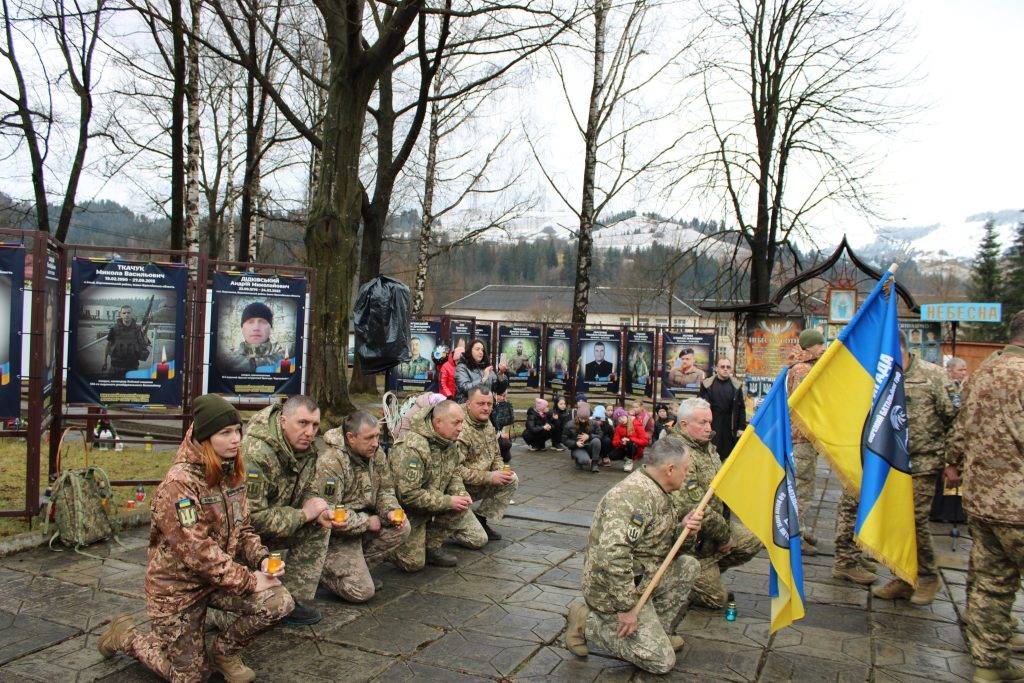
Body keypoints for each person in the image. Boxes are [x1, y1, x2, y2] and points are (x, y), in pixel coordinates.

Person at [98, 394, 293, 683]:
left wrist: (262, 559)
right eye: (225, 433)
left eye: (238, 430)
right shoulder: (180, 485)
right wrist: (250, 580)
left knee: (279, 602)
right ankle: (126, 636)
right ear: (205, 437)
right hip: (177, 591)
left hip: (217, 581)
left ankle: (224, 653)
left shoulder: (233, 472)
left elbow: (245, 530)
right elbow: (199, 552)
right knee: (190, 677)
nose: (236, 439)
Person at [565, 435, 704, 674]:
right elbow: (612, 556)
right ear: (670, 469)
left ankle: (656, 631)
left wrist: (684, 530)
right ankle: (586, 621)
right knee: (661, 662)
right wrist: (626, 607)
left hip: (645, 577)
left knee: (688, 565)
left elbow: (657, 544)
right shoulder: (633, 496)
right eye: (686, 470)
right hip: (611, 590)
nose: (687, 475)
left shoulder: (658, 489)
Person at [944, 310, 1024, 682]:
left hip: (981, 498)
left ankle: (989, 666)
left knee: (992, 583)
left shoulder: (982, 373)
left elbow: (961, 427)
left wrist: (953, 463)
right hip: (1018, 502)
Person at [871, 331, 956, 605]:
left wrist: (953, 460)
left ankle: (928, 576)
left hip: (924, 462)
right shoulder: (883, 377)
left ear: (900, 349)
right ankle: (904, 577)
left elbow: (955, 419)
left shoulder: (933, 376)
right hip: (891, 463)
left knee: (916, 522)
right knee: (896, 522)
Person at [241, 395, 331, 625]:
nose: (310, 432)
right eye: (302, 423)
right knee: (231, 617)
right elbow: (252, 519)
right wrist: (303, 514)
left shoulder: (304, 448)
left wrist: (317, 508)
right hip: (241, 539)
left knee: (319, 526)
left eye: (315, 425)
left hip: (278, 521)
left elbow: (308, 487)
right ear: (282, 421)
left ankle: (292, 599)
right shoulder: (256, 453)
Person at [673, 398, 761, 609]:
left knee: (754, 541)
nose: (709, 428)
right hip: (689, 542)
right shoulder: (677, 453)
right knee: (717, 600)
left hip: (712, 532)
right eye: (702, 423)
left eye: (710, 422)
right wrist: (724, 537)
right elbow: (695, 508)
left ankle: (709, 569)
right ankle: (684, 578)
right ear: (684, 425)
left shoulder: (706, 447)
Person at [315, 411, 411, 603]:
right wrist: (366, 522)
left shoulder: (376, 453)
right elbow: (331, 512)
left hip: (363, 525)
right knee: (362, 592)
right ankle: (319, 571)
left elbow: (385, 489)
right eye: (369, 438)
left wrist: (390, 511)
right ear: (350, 438)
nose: (375, 443)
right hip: (335, 535)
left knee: (402, 527)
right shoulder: (331, 461)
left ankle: (357, 569)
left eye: (377, 436)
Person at [389, 400, 487, 570]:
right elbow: (408, 495)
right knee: (412, 564)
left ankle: (431, 544)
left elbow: (454, 472)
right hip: (409, 512)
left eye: (462, 422)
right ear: (438, 422)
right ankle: (391, 547)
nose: (461, 428)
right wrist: (448, 501)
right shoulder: (414, 447)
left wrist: (460, 493)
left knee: (477, 538)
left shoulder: (449, 441)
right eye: (456, 423)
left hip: (435, 503)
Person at [456, 386, 518, 541]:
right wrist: (489, 477)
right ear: (469, 404)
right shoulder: (459, 427)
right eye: (481, 404)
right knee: (478, 540)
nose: (486, 408)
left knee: (511, 479)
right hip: (457, 490)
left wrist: (499, 471)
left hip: (479, 481)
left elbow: (496, 453)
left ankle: (480, 518)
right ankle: (450, 523)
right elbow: (455, 472)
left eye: (489, 404)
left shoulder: (485, 422)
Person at [786, 329, 827, 557]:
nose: (823, 347)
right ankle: (795, 534)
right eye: (819, 344)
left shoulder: (805, 366)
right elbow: (806, 402)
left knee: (803, 486)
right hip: (800, 438)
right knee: (801, 488)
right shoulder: (802, 369)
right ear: (809, 347)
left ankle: (800, 529)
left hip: (803, 438)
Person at [698, 358, 746, 461]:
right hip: (712, 425)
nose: (725, 369)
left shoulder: (736, 386)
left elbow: (741, 408)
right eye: (722, 367)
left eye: (728, 367)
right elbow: (699, 407)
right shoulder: (707, 385)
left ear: (731, 370)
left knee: (728, 457)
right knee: (711, 455)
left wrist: (741, 428)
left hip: (730, 427)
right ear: (716, 368)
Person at [223, 302, 287, 374]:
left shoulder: (286, 359)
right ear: (242, 328)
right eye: (250, 322)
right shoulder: (227, 362)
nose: (256, 328)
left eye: (262, 322)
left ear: (271, 328)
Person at [102, 304, 151, 377]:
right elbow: (108, 345)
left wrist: (147, 327)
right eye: (124, 313)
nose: (126, 315)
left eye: (129, 313)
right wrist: (105, 361)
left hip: (132, 366)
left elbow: (145, 343)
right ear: (120, 315)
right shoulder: (114, 329)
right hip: (115, 366)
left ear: (132, 314)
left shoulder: (137, 329)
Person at [562, 403, 603, 472]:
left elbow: (600, 435)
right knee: (584, 461)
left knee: (597, 441)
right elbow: (564, 439)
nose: (583, 420)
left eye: (586, 418)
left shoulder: (593, 423)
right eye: (582, 418)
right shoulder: (569, 424)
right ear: (578, 415)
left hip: (589, 445)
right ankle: (578, 460)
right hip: (577, 448)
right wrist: (575, 443)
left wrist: (589, 436)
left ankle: (594, 464)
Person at [612, 407, 650, 473]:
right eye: (619, 419)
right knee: (612, 456)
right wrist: (621, 441)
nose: (621, 420)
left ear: (626, 416)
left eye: (623, 417)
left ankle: (629, 461)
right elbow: (614, 442)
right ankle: (627, 457)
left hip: (636, 448)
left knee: (630, 443)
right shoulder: (618, 428)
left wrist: (630, 439)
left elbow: (645, 442)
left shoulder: (637, 425)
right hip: (624, 447)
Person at [489, 379, 515, 464]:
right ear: (494, 394)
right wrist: (499, 434)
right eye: (502, 396)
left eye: (506, 396)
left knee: (507, 457)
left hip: (499, 433)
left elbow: (507, 423)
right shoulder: (488, 406)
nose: (504, 399)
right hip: (491, 435)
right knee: (505, 443)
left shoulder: (503, 405)